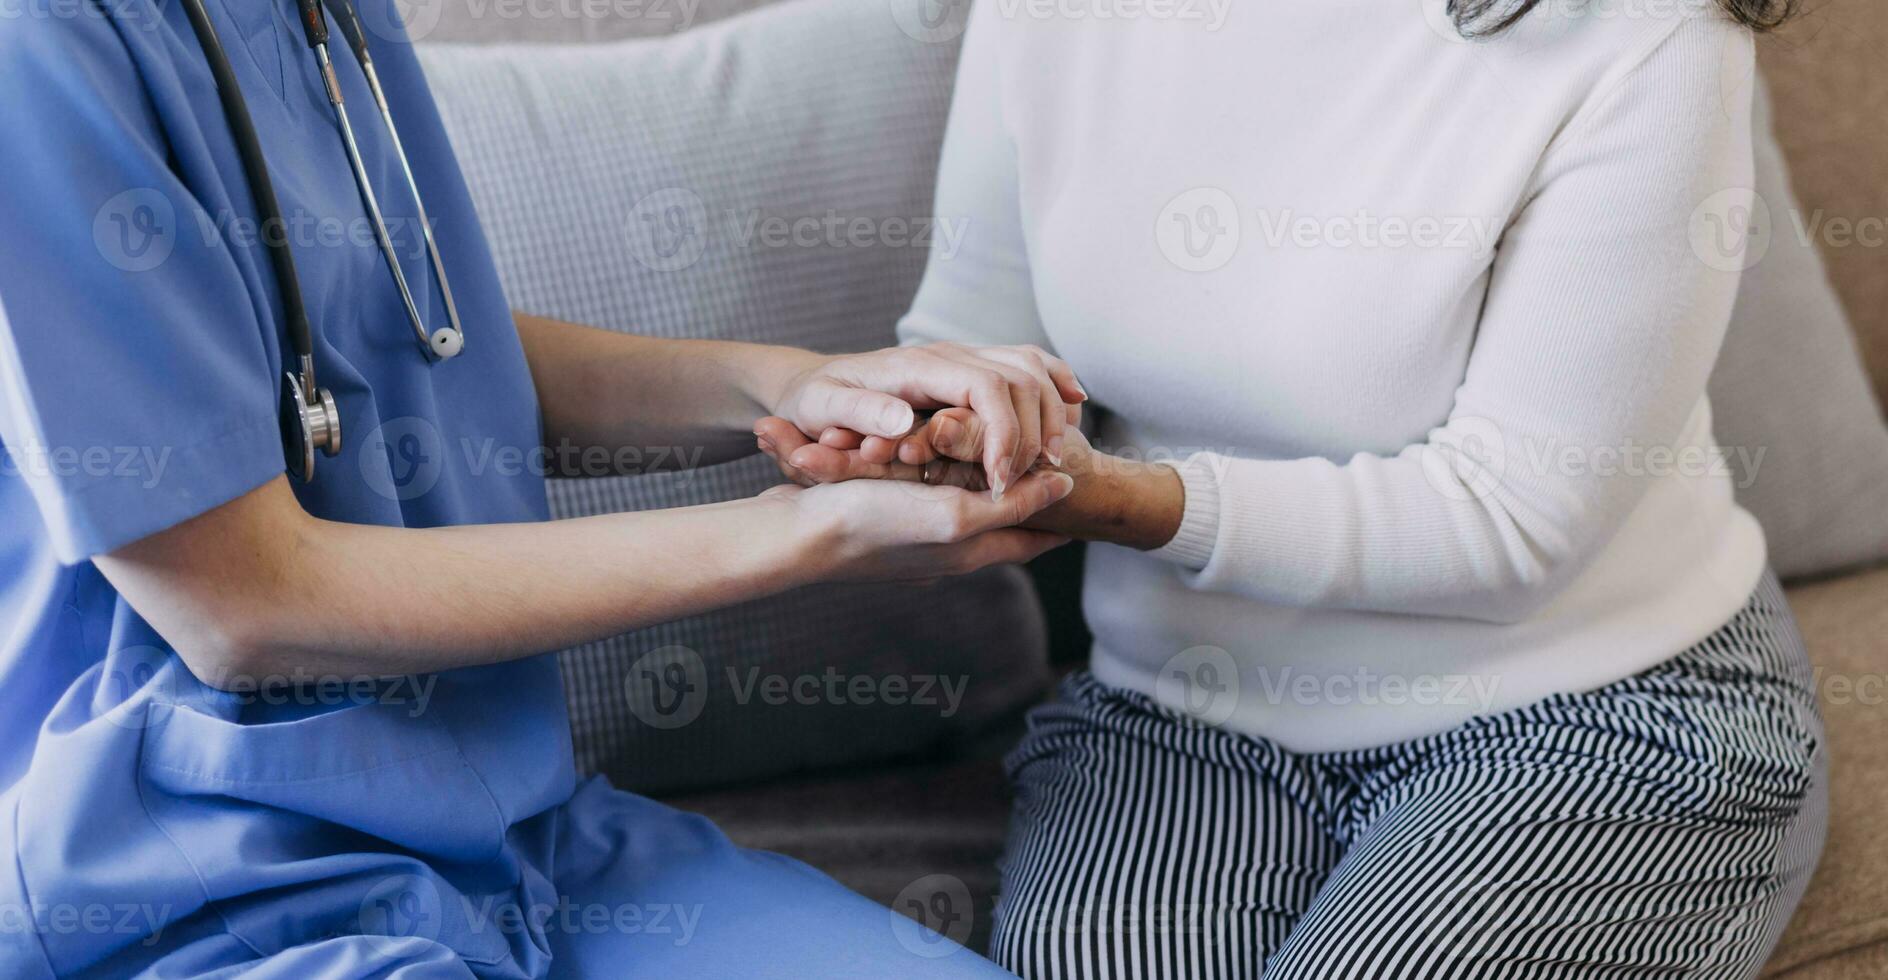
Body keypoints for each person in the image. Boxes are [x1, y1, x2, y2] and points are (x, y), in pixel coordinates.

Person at [0, 0, 1084, 974]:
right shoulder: (36, 46)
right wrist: (805, 532)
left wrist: (790, 382)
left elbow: (408, 339)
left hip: (521, 843)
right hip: (202, 885)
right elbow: (243, 601)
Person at [757, 0, 1828, 976]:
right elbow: (979, 336)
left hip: (1592, 706)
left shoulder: (1647, 33)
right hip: (1177, 709)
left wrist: (1112, 496)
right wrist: (928, 434)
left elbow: (1512, 522)